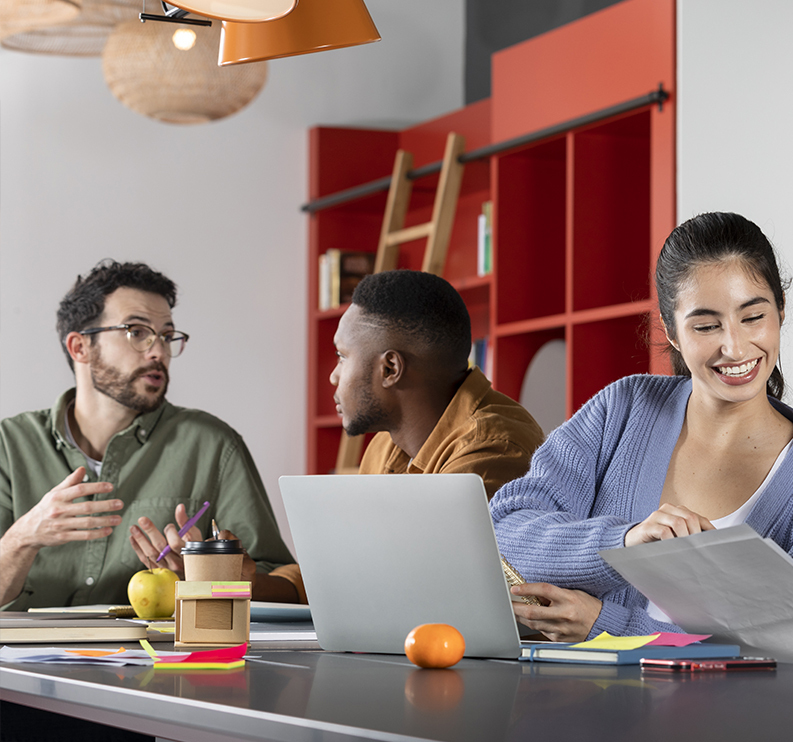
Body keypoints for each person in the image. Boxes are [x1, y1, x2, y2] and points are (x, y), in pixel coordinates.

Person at [490, 212, 793, 642]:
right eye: (706, 326)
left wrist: (609, 626)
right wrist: (625, 544)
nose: (734, 346)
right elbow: (502, 534)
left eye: (753, 317)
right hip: (580, 702)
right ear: (672, 331)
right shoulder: (623, 409)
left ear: (781, 310)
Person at [232, 269, 545, 602]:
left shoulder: (494, 448)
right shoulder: (386, 443)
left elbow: (422, 586)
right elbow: (346, 567)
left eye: (342, 356)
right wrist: (247, 584)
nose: (333, 376)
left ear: (390, 369)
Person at [0, 261, 295, 610]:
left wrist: (209, 580)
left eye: (167, 335)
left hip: (156, 663)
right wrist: (21, 539)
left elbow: (284, 582)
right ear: (80, 347)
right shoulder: (8, 445)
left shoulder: (212, 445)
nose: (159, 352)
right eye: (137, 332)